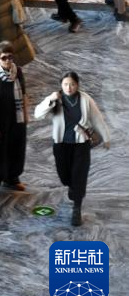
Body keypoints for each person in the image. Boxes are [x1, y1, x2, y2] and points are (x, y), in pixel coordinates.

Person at [34, 71, 111, 226]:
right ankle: (72, 188)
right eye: (65, 84)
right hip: (61, 143)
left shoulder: (86, 99)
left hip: (81, 144)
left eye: (72, 84)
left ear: (77, 85)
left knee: (79, 176)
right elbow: (38, 114)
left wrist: (106, 137)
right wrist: (50, 99)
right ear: (61, 85)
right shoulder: (56, 99)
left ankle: (77, 208)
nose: (69, 88)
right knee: (64, 175)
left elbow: (97, 118)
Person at [0, 42, 28, 198]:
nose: (8, 60)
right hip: (0, 119)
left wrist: (26, 114)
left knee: (16, 148)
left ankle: (12, 178)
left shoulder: (18, 71)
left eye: (10, 57)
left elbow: (23, 93)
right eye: (4, 58)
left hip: (16, 117)